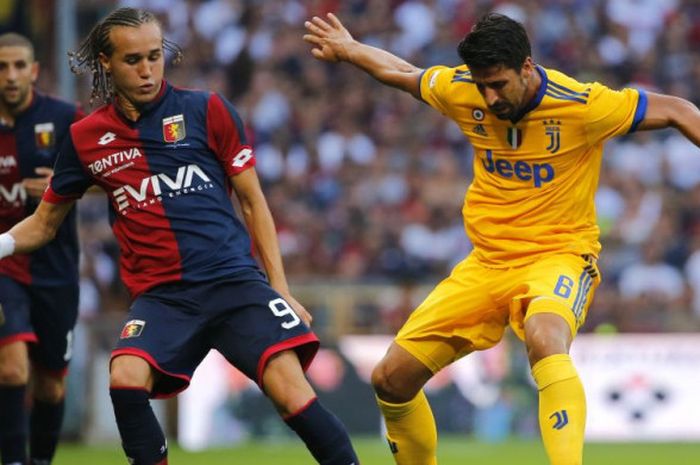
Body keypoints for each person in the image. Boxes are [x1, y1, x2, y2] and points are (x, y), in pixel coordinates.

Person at [303, 12, 700, 465]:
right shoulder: (464, 89)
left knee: (545, 337)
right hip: (487, 263)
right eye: (482, 84)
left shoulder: (584, 104)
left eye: (499, 84)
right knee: (390, 379)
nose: (489, 97)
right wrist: (351, 48)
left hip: (559, 255)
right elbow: (402, 73)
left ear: (527, 68)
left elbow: (677, 109)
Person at [0, 8, 359, 465]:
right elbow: (44, 224)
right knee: (125, 377)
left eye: (155, 56)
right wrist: (2, 244)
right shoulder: (86, 138)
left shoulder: (207, 109)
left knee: (291, 394)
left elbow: (253, 202)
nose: (148, 69)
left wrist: (280, 288)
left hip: (233, 283)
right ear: (106, 63)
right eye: (133, 60)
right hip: (163, 298)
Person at [0, 33, 84, 465]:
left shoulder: (67, 118)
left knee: (51, 384)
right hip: (3, 264)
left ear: (33, 71)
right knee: (11, 367)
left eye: (19, 66)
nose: (10, 76)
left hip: (55, 267)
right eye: (1, 67)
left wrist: (62, 187)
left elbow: (106, 176)